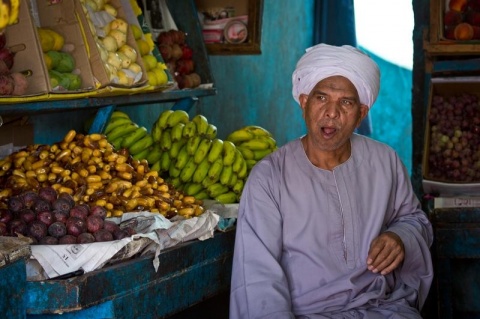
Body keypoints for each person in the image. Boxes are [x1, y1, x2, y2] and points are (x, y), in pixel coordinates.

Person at [229, 43, 434, 318]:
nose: (332, 112)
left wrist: (400, 237)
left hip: (380, 309)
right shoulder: (269, 177)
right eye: (321, 98)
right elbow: (256, 275)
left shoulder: (385, 161)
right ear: (304, 103)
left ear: (361, 113)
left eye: (346, 102)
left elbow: (414, 219)